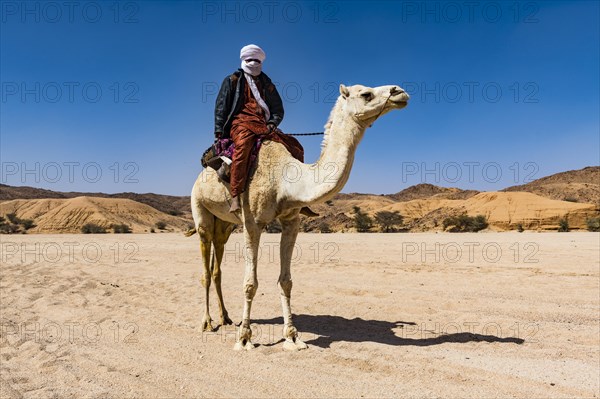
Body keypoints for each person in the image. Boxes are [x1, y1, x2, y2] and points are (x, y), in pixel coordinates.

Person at [214, 44, 317, 216]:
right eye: (250, 60)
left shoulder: (267, 84)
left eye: (257, 60)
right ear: (243, 60)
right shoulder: (232, 80)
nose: (253, 63)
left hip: (263, 124)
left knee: (295, 146)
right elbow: (221, 107)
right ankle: (235, 196)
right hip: (240, 123)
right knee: (243, 146)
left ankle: (300, 199)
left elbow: (278, 109)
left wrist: (272, 123)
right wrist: (218, 131)